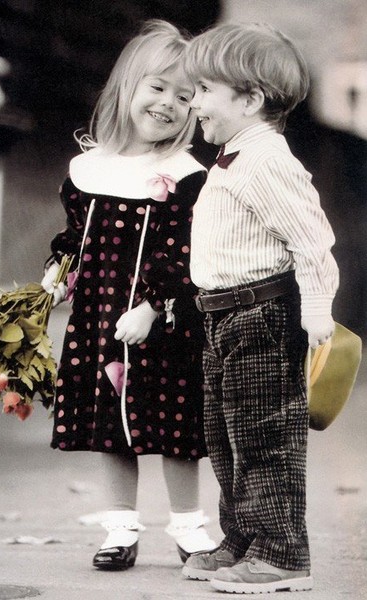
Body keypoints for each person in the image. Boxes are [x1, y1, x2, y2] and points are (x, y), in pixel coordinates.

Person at [41, 20, 216, 571]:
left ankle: (190, 528)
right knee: (109, 427)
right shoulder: (87, 169)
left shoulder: (185, 175)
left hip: (164, 322)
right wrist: (58, 274)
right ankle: (119, 529)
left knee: (174, 426)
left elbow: (186, 256)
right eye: (157, 88)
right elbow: (75, 239)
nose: (168, 104)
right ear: (126, 87)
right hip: (98, 320)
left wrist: (151, 307)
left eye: (184, 97)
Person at [181, 22, 339, 594]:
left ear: (250, 100)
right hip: (222, 316)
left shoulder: (267, 161)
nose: (193, 102)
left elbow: (312, 240)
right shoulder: (234, 158)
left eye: (205, 90)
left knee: (264, 437)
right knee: (225, 436)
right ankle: (244, 538)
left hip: (261, 318)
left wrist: (316, 310)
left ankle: (282, 553)